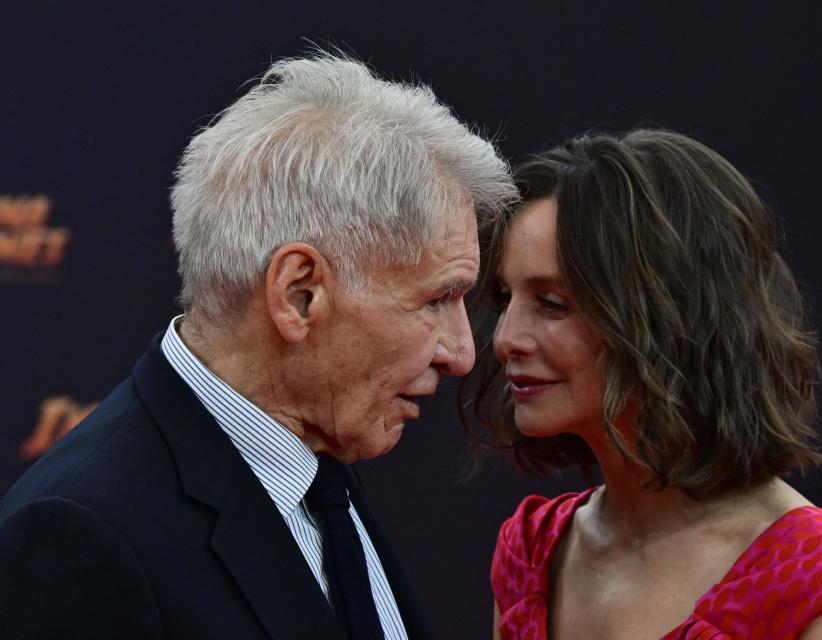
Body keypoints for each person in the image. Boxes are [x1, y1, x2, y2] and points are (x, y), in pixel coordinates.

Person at [0, 53, 515, 639]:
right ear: (298, 295)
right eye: (434, 301)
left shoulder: (318, 465)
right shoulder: (79, 536)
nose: (462, 353)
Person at [462, 129, 822, 639]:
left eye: (551, 304)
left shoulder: (803, 580)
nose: (505, 340)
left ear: (667, 319)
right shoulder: (530, 554)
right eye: (506, 298)